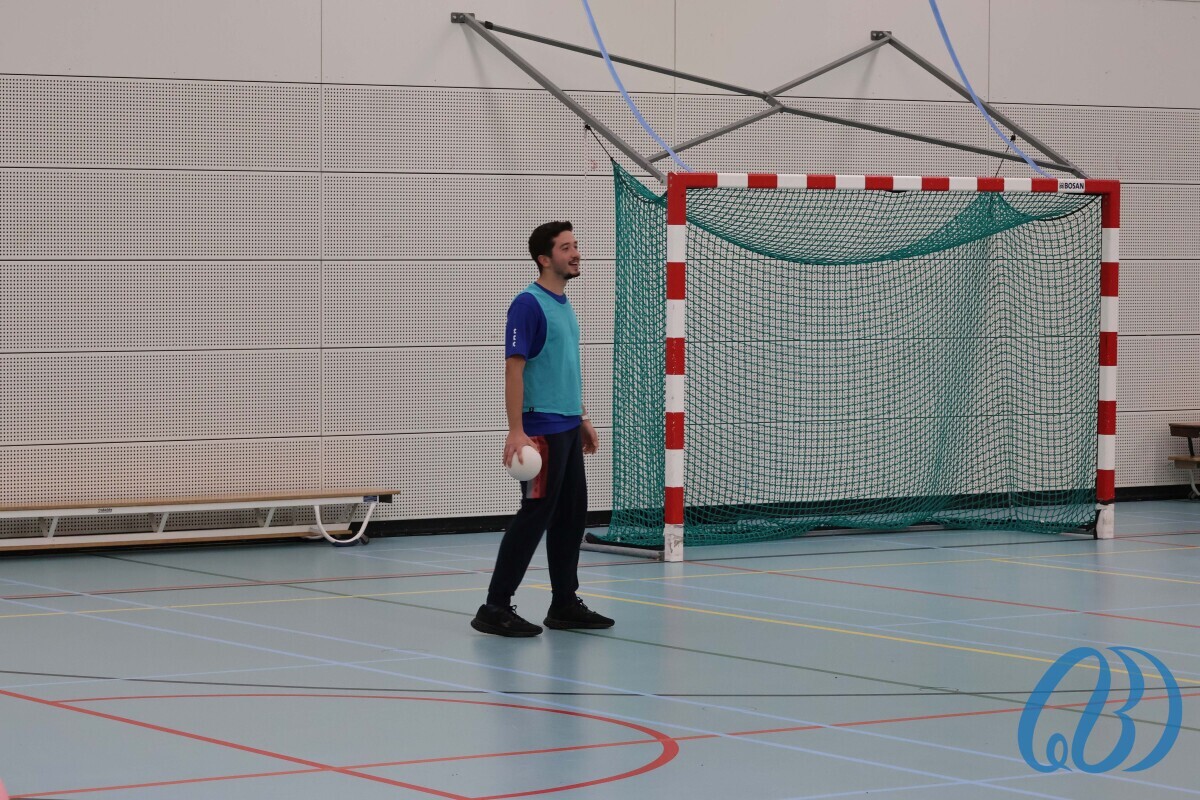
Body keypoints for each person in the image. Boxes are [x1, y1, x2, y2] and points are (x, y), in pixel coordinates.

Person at [470, 221, 615, 637]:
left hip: (567, 425)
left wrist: (581, 417)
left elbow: (562, 369)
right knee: (535, 515)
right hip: (541, 431)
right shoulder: (527, 305)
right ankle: (495, 606)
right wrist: (516, 431)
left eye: (576, 245)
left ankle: (564, 603)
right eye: (566, 248)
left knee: (571, 517)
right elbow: (514, 371)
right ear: (544, 259)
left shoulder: (564, 305)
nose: (576, 253)